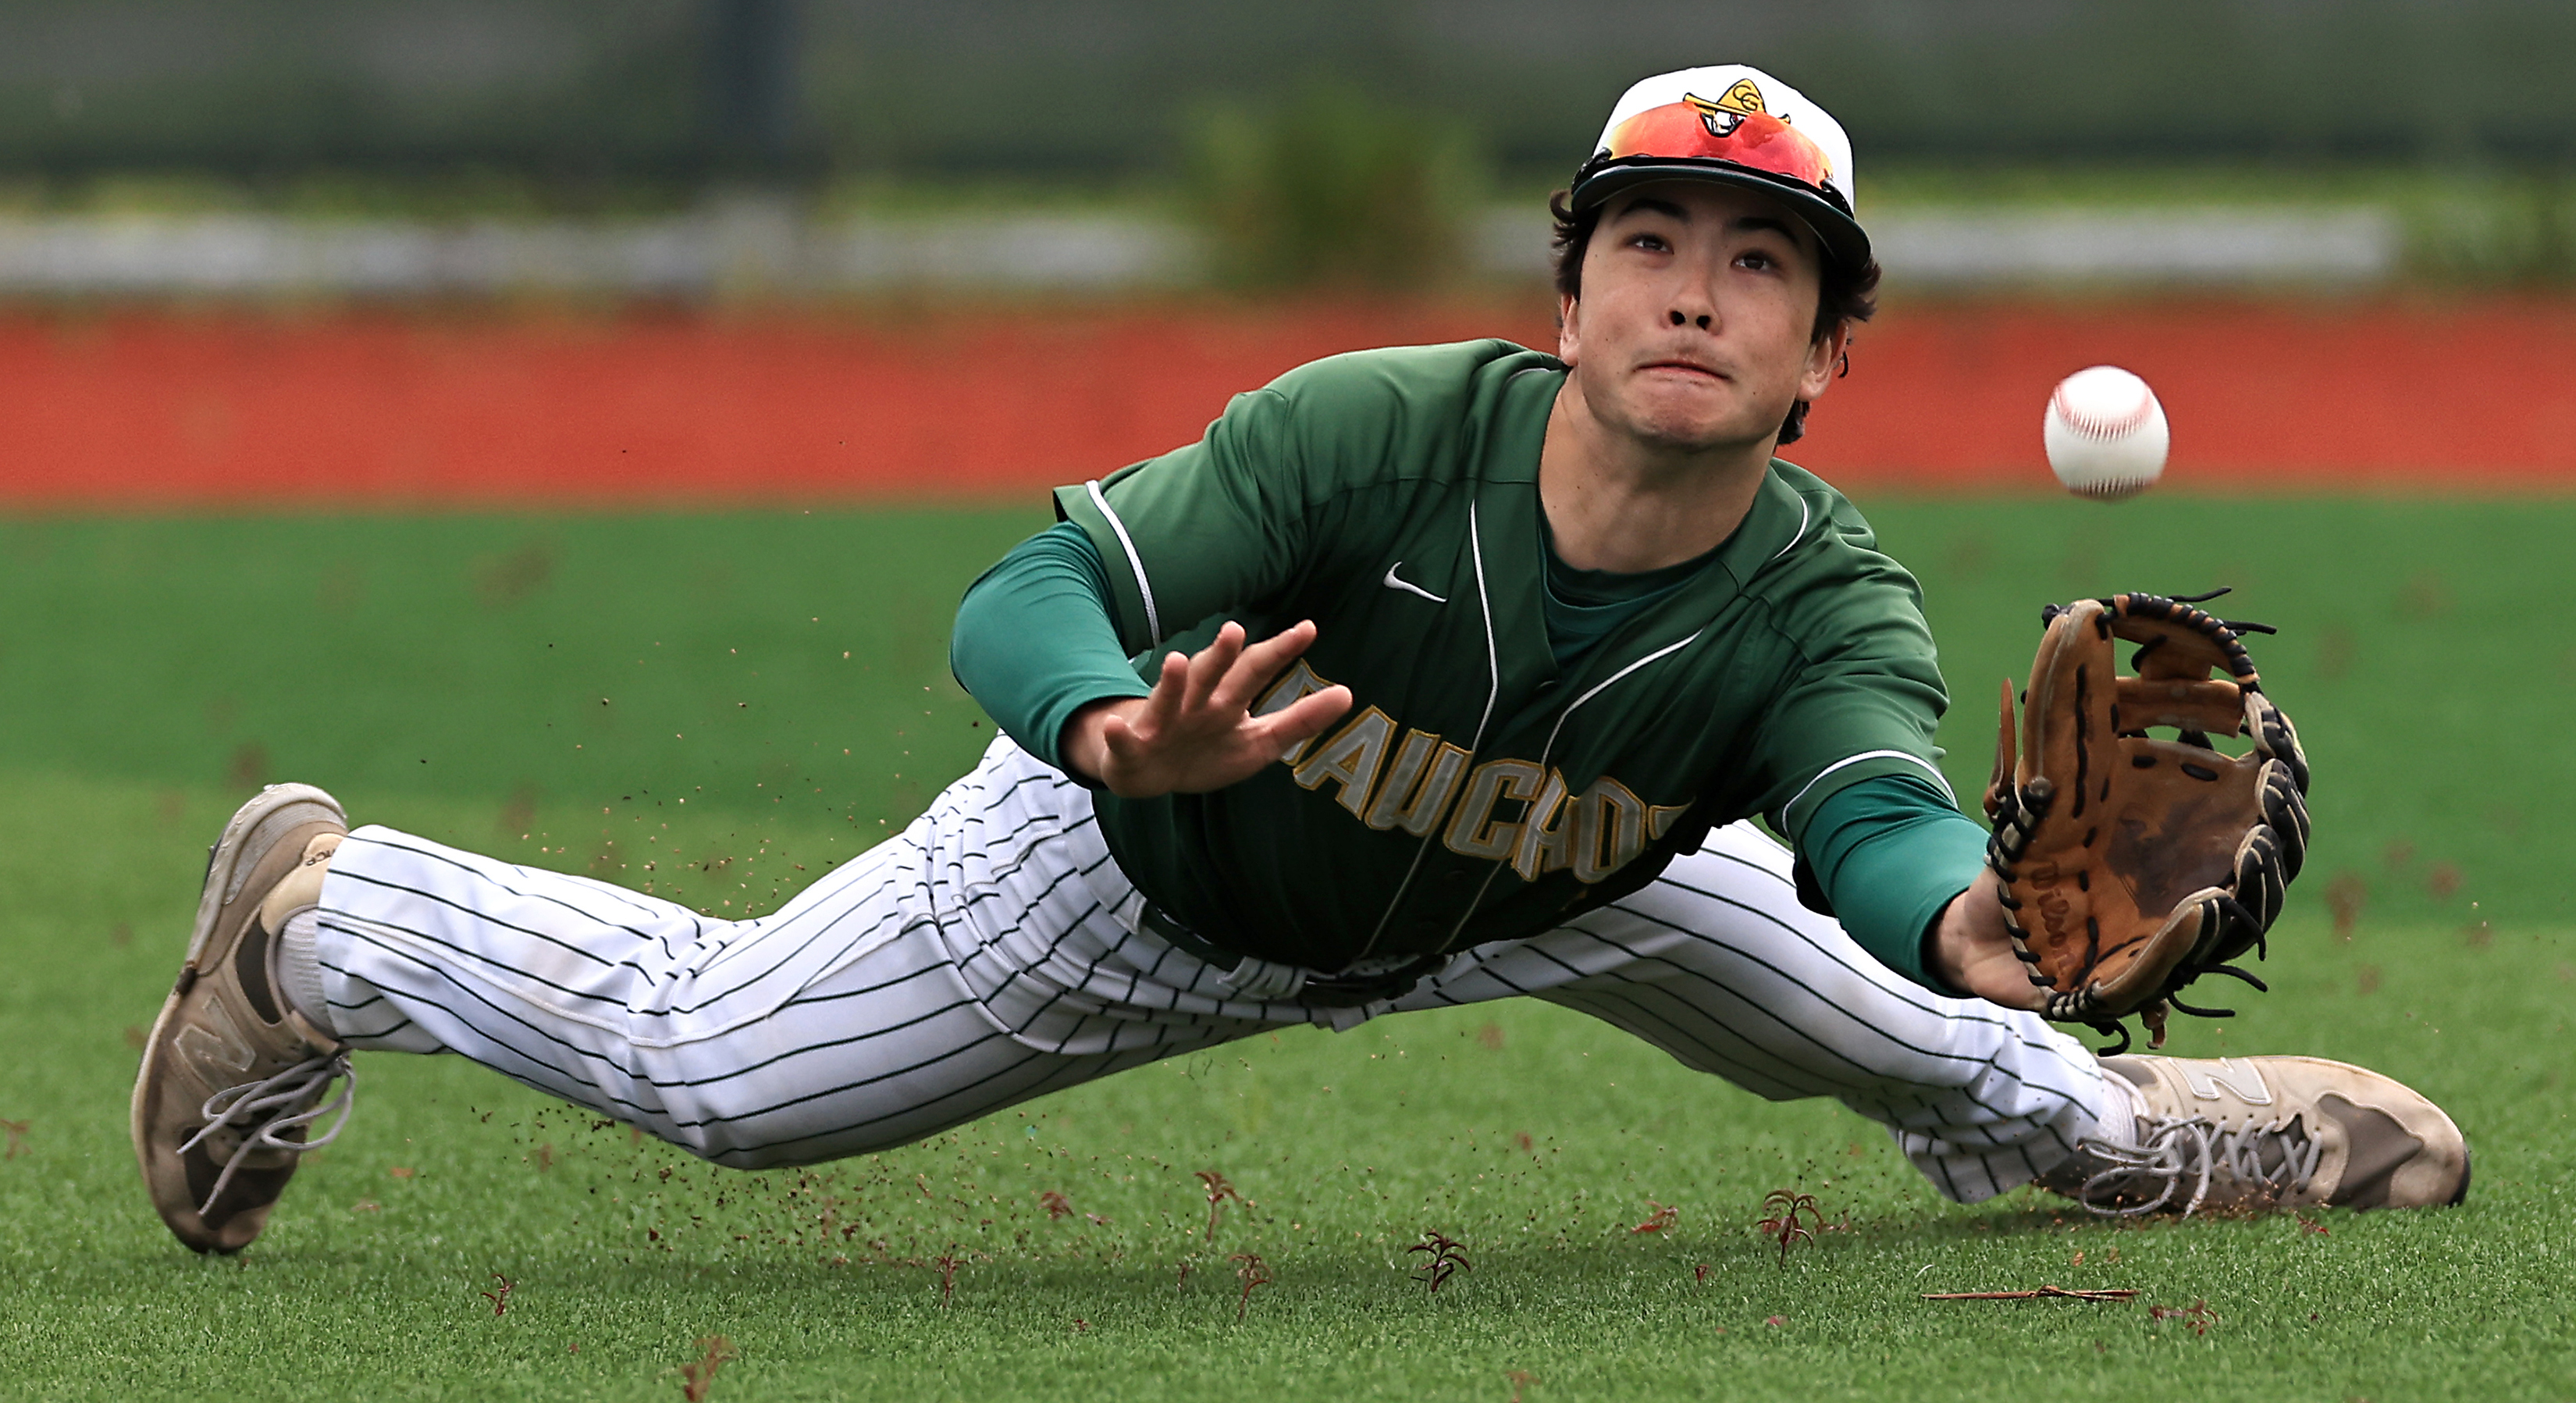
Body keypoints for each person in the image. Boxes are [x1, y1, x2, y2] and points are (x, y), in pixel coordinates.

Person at [131, 64, 2467, 1255]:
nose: (1689, 285)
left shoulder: (1816, 593)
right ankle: (322, 923)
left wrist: (1970, 919)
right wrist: (1107, 730)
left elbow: (1861, 810)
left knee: (1939, 1030)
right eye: (1645, 237)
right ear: (1564, 305)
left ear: (1819, 359)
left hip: (1559, 889)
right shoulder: (1376, 437)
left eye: (1757, 265)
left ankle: (2148, 1138)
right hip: (1134, 874)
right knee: (721, 1072)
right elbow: (1017, 598)